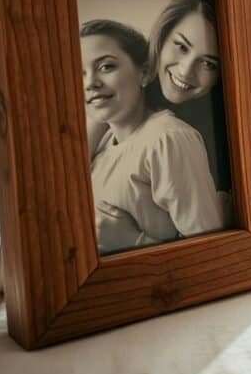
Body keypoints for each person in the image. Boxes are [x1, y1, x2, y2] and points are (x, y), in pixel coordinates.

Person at [81, 20, 227, 255]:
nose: (90, 83)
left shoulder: (168, 140)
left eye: (106, 67)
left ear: (145, 72)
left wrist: (133, 240)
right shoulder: (103, 144)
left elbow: (210, 255)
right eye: (80, 72)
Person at [144, 0, 231, 191]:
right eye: (182, 47)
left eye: (208, 64)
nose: (185, 71)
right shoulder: (124, 89)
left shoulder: (228, 128)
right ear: (163, 35)